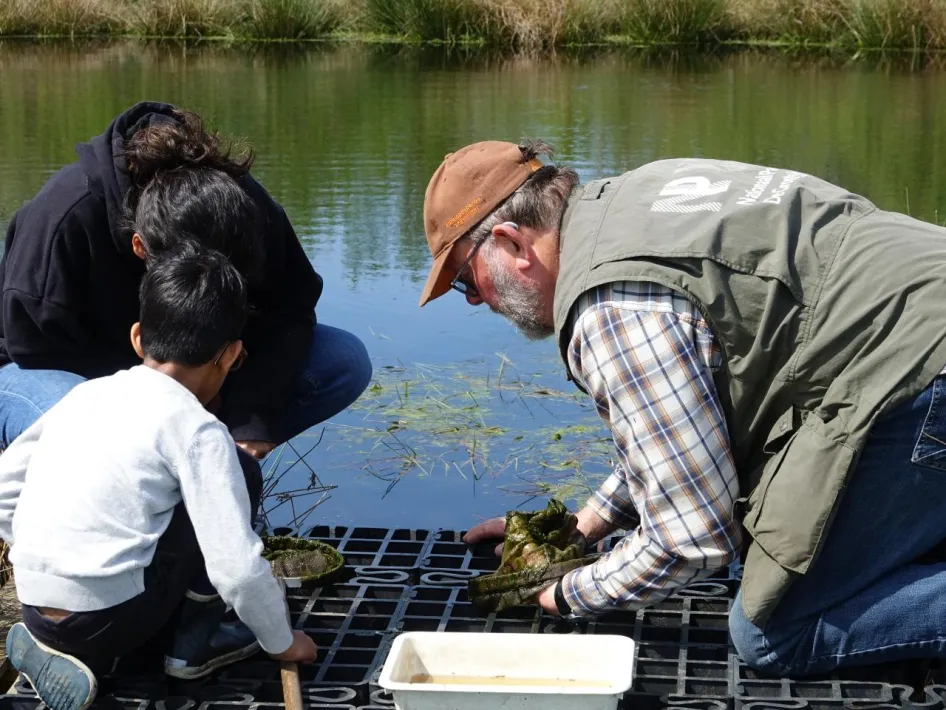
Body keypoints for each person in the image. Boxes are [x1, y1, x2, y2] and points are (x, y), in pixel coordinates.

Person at [419, 140, 946, 676]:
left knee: (777, 631)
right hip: (917, 323)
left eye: (465, 278)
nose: (474, 299)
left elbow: (693, 538)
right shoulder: (638, 195)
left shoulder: (614, 309)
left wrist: (563, 593)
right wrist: (584, 526)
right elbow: (682, 432)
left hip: (923, 372)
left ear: (511, 243)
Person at [0, 244, 319, 710]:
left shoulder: (85, 396)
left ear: (136, 338)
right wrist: (282, 641)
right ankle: (194, 648)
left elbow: (6, 492)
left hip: (35, 608)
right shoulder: (197, 429)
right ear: (230, 355)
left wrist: (49, 561)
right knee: (242, 474)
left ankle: (64, 645)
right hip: (107, 620)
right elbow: (237, 568)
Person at [0, 101, 371, 464]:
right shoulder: (67, 217)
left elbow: (290, 306)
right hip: (38, 371)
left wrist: (251, 412)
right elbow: (35, 348)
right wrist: (155, 399)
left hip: (187, 363)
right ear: (140, 248)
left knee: (342, 360)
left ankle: (207, 471)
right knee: (90, 432)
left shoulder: (245, 207)